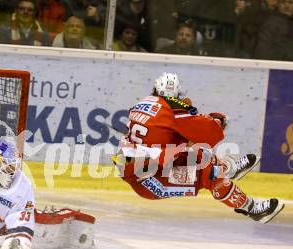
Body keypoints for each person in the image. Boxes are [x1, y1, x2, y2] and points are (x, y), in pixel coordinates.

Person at [112, 72, 285, 224]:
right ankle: (252, 208)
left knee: (198, 154)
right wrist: (218, 120)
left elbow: (168, 133)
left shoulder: (142, 104)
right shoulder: (172, 107)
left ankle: (226, 169)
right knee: (210, 175)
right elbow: (208, 132)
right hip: (150, 181)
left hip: (145, 166)